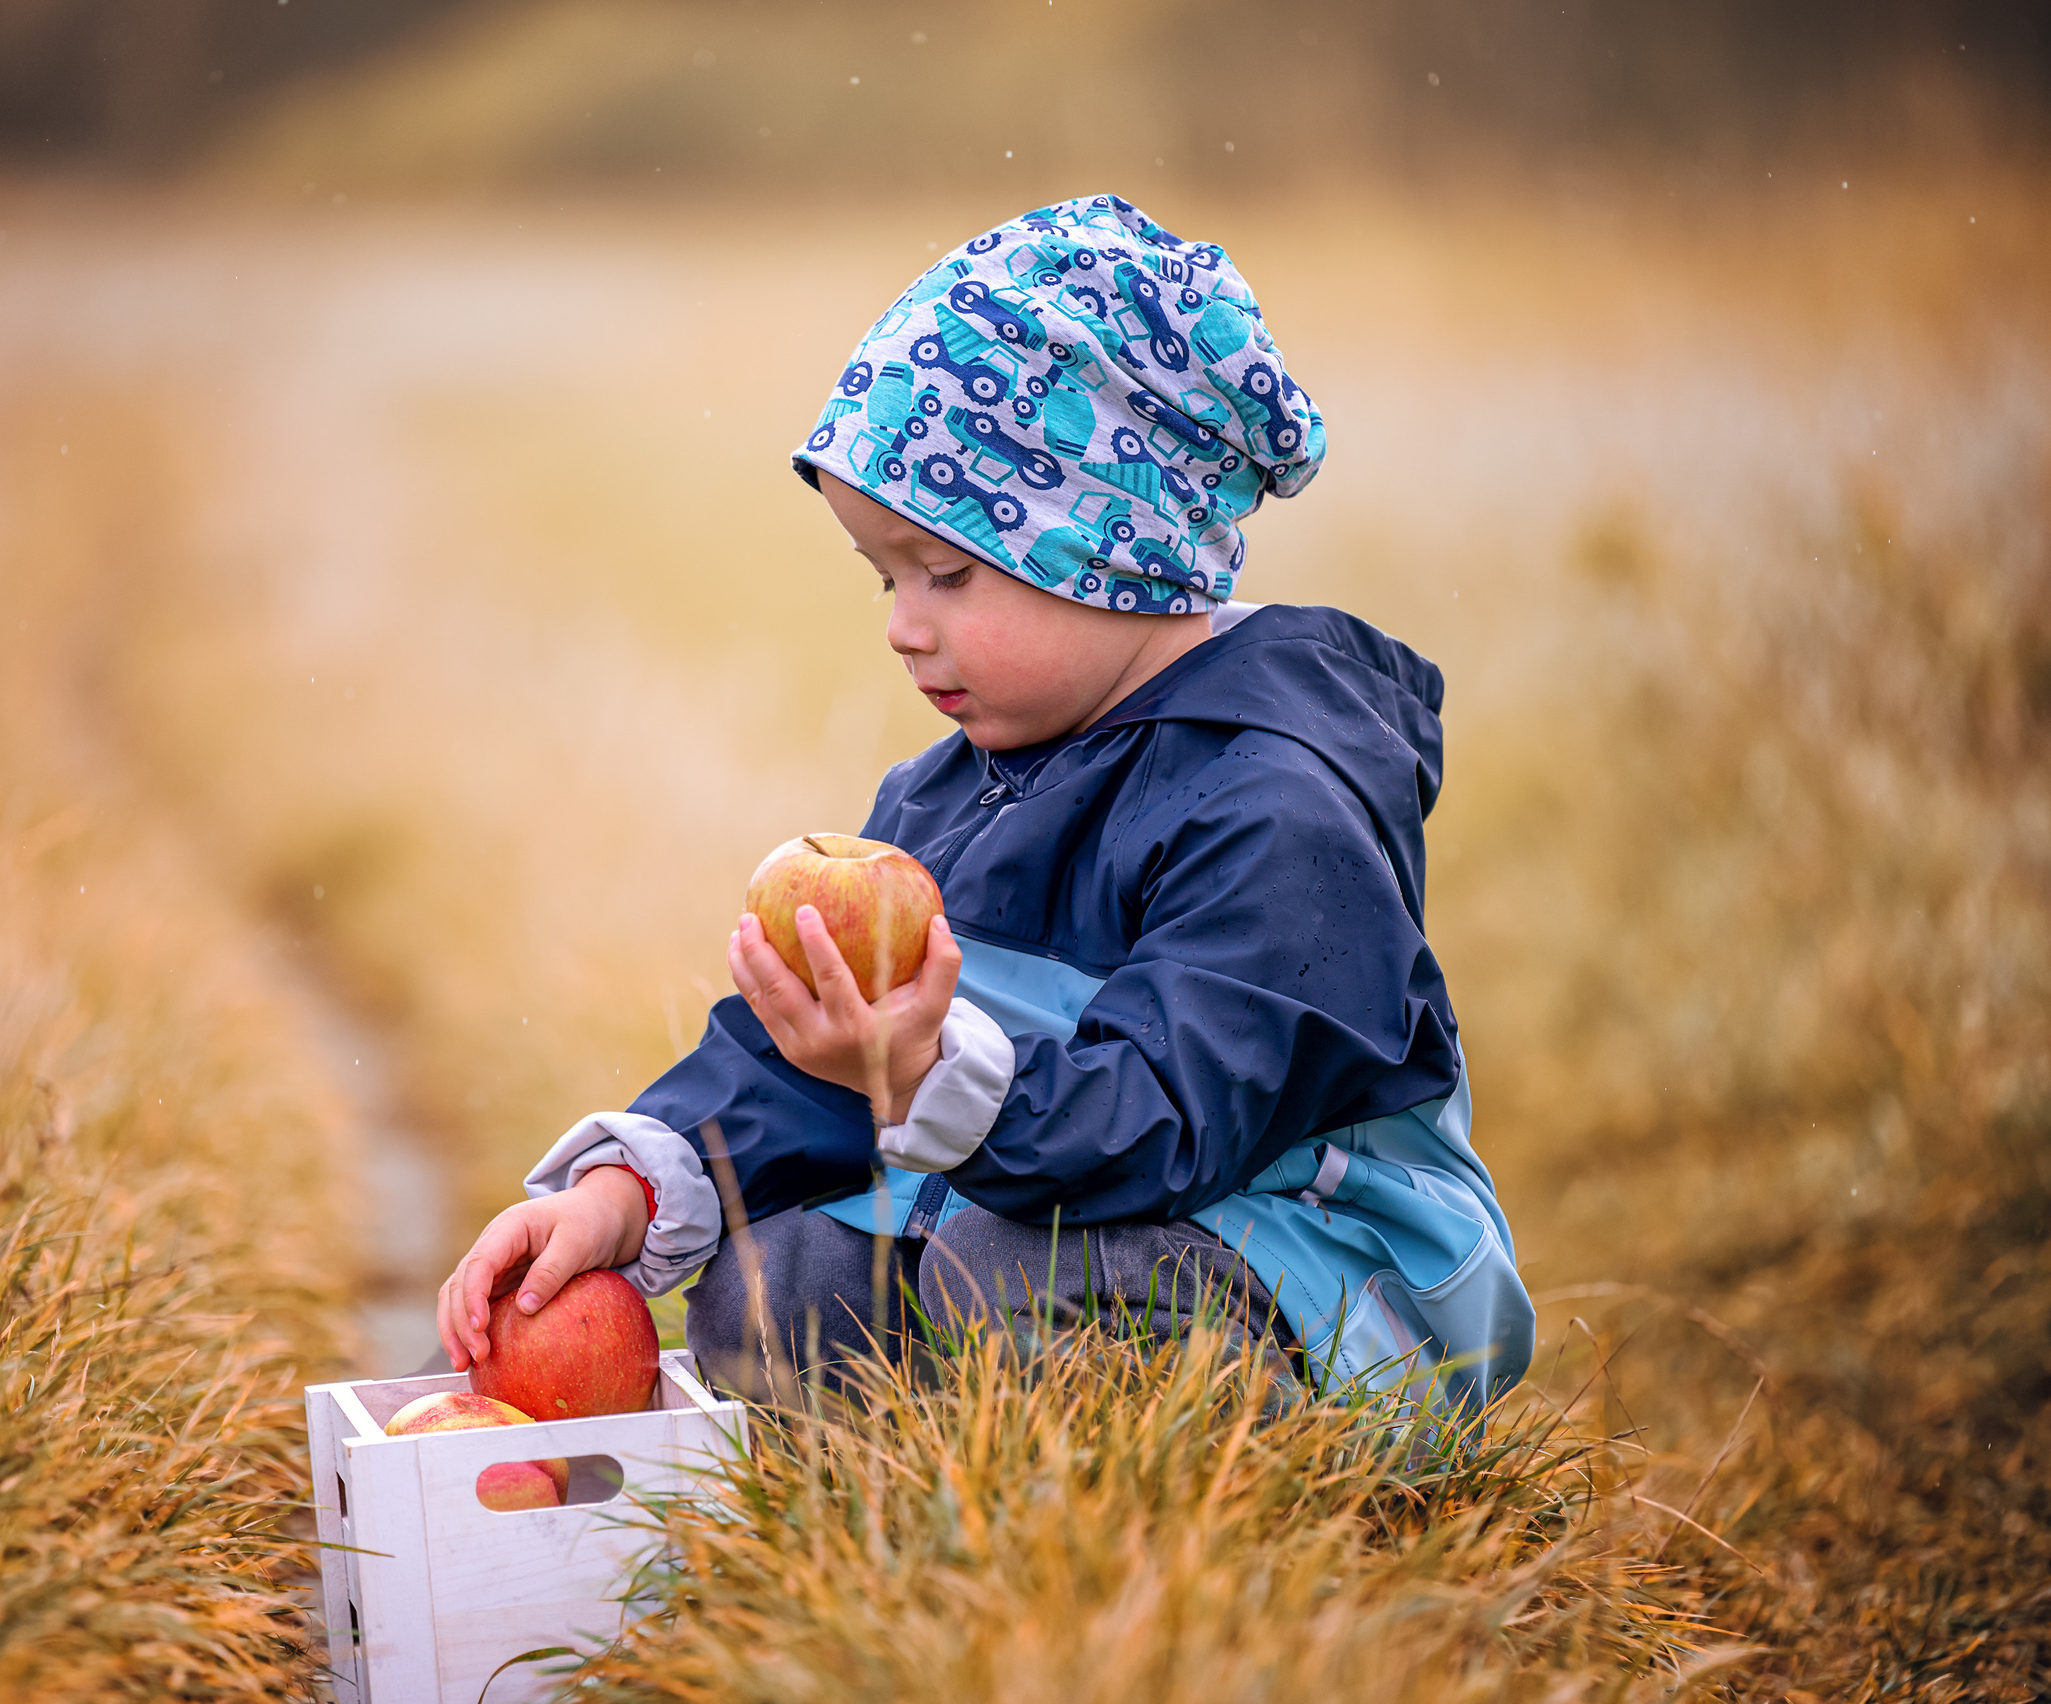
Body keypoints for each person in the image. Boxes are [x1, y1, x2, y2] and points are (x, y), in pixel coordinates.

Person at [435, 193, 1533, 1409]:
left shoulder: (1277, 802)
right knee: (775, 1280)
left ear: (1112, 543)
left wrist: (916, 1081)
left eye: (947, 573)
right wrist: (622, 1195)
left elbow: (1166, 1123)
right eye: (883, 578)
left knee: (1015, 1268)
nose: (905, 629)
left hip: (1319, 1286)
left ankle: (1224, 1484)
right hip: (1059, 1219)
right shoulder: (945, 797)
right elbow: (808, 1072)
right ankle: (895, 1501)